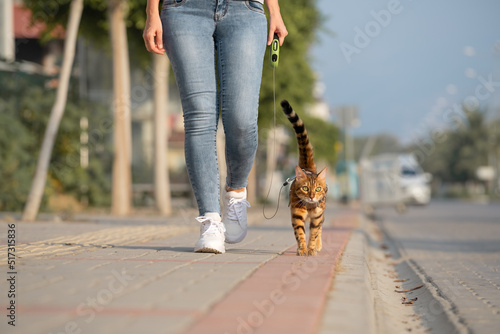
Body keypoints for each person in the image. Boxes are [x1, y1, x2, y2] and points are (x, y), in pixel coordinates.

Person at [143, 0, 287, 254]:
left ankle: (236, 191)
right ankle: (210, 221)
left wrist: (274, 11)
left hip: (245, 10)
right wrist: (152, 12)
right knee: (199, 115)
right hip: (184, 9)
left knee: (242, 120)